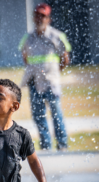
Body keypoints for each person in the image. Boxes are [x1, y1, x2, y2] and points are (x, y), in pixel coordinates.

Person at [19, 3, 71, 150]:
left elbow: (64, 59)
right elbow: (25, 57)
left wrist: (53, 72)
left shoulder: (57, 36)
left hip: (51, 82)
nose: (39, 18)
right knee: (38, 115)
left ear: (49, 18)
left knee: (56, 113)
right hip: (34, 81)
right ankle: (46, 144)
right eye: (37, 15)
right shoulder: (28, 37)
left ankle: (62, 144)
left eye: (43, 16)